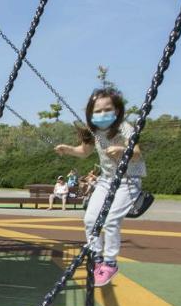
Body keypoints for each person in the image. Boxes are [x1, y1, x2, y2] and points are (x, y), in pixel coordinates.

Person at [55, 88, 144, 286]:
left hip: (128, 180)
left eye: (107, 109)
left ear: (117, 110)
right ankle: (97, 258)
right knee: (89, 219)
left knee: (111, 220)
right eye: (98, 111)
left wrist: (123, 150)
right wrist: (68, 149)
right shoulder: (94, 131)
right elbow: (84, 152)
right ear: (90, 113)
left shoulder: (124, 128)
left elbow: (136, 152)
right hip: (106, 180)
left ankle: (110, 263)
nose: (103, 114)